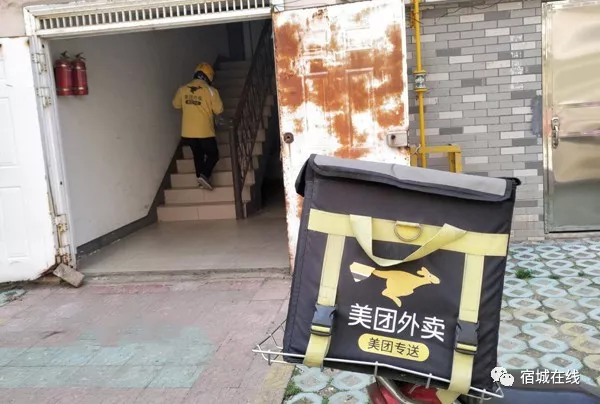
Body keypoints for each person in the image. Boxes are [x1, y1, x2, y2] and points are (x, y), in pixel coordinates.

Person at [172, 62, 224, 190]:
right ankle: (204, 174)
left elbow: (176, 104)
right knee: (213, 154)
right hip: (204, 131)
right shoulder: (211, 91)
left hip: (187, 132)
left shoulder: (183, 89)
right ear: (209, 77)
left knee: (198, 154)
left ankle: (200, 180)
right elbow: (219, 109)